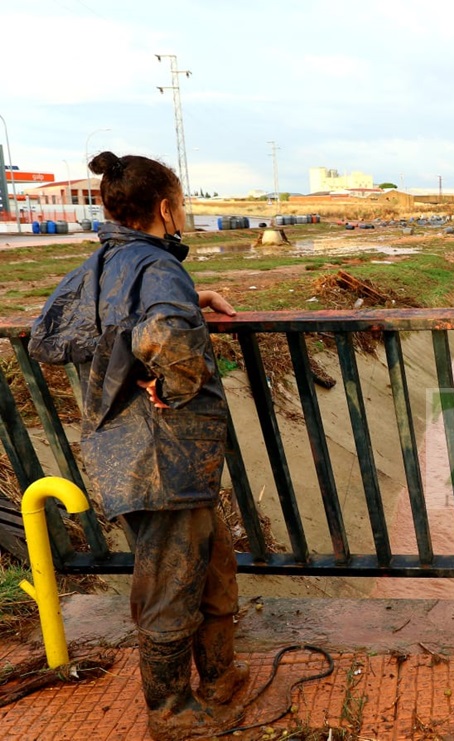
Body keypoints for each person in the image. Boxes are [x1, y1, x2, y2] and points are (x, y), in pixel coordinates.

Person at [29, 151, 248, 740]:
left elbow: (46, 333)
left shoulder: (106, 262)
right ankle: (170, 712)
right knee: (171, 582)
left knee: (211, 561)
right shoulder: (158, 269)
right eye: (182, 204)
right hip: (161, 457)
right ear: (165, 207)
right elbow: (167, 342)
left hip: (135, 451)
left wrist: (152, 334)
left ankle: (221, 677)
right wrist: (168, 385)